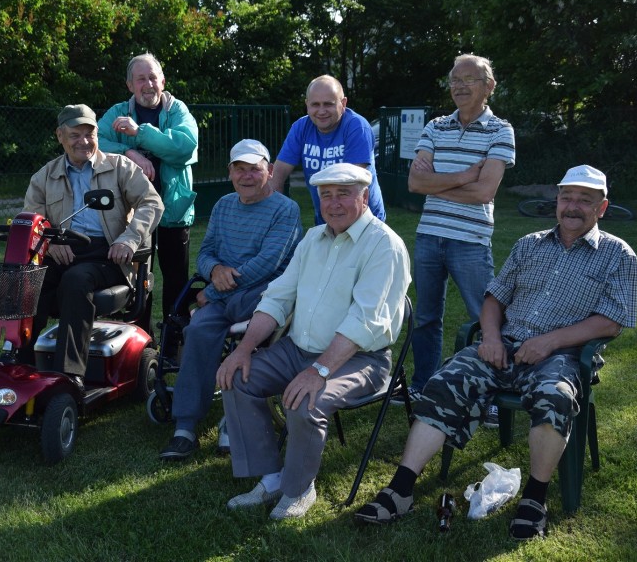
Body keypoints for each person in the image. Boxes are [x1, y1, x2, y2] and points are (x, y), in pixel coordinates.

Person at [356, 165, 637, 540]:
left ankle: (534, 499)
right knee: (443, 383)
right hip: (503, 347)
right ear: (557, 200)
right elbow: (495, 297)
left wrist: (550, 341)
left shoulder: (619, 255)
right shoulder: (530, 243)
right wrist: (489, 336)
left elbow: (611, 321)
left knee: (554, 398)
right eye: (567, 197)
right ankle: (401, 489)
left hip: (563, 356)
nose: (572, 207)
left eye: (584, 201)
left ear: (601, 208)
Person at [216, 163, 411, 520]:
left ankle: (298, 488)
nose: (334, 203)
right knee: (236, 378)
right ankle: (272, 477)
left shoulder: (385, 246)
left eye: (344, 194)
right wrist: (243, 350)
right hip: (297, 349)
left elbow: (363, 322)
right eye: (326, 195)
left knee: (305, 401)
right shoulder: (313, 238)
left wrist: (318, 370)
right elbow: (277, 298)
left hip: (361, 359)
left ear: (364, 197)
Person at [159, 139, 303, 461]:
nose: (247, 176)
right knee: (196, 332)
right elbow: (205, 253)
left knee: (250, 341)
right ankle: (184, 426)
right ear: (230, 172)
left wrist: (210, 291)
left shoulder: (286, 209)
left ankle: (232, 417)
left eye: (255, 169)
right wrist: (216, 270)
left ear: (268, 171)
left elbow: (268, 264)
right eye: (240, 169)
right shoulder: (224, 205)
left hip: (263, 297)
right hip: (226, 297)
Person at [401, 54, 516, 429]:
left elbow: (485, 192)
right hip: (429, 237)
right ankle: (422, 387)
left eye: (469, 79)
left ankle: (492, 396)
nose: (459, 85)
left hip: (470, 240)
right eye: (454, 79)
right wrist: (467, 173)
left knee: (485, 320)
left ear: (489, 86)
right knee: (427, 318)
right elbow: (415, 183)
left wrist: (440, 184)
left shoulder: (501, 130)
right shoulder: (436, 126)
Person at [20, 104, 164, 390]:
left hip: (108, 254)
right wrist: (48, 241)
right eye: (75, 135)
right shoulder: (44, 177)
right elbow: (30, 219)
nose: (84, 141)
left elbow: (152, 203)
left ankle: (69, 374)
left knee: (77, 280)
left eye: (90, 133)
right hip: (63, 249)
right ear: (60, 136)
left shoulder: (120, 166)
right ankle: (20, 364)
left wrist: (129, 238)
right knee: (27, 281)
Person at [97, 53, 198, 328]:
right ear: (130, 85)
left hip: (173, 211)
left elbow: (183, 147)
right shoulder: (117, 112)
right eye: (140, 79)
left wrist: (139, 133)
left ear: (163, 81)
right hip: (132, 213)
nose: (148, 84)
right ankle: (139, 341)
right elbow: (93, 143)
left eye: (153, 77)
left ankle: (174, 341)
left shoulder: (177, 111)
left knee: (176, 280)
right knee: (136, 277)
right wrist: (129, 152)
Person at [270, 75, 386, 225]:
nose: (321, 111)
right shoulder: (301, 127)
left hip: (364, 222)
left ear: (343, 103)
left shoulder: (357, 127)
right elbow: (277, 176)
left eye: (328, 104)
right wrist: (274, 217)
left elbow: (351, 185)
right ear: (307, 105)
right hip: (326, 220)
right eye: (315, 104)